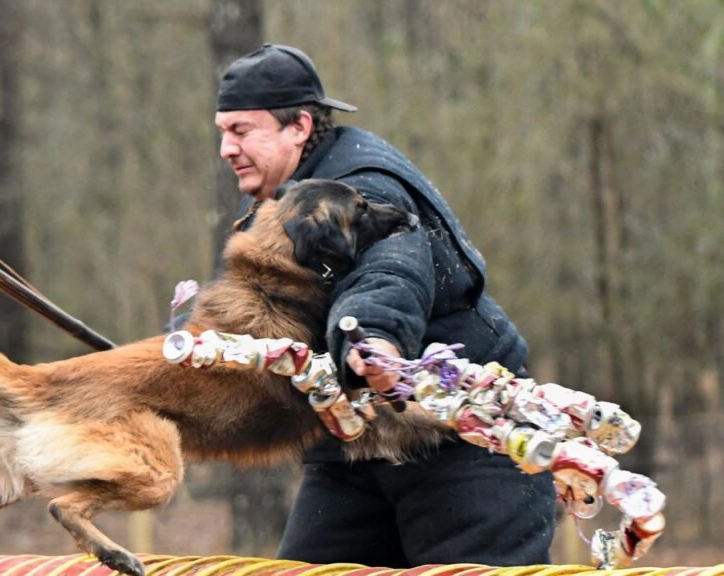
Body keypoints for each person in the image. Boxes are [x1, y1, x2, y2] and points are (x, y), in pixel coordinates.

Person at [214, 44, 556, 567]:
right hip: (349, 448)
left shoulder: (364, 187)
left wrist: (372, 338)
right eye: (222, 131)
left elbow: (391, 267)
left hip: (465, 442)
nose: (226, 147)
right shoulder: (278, 201)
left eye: (241, 130)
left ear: (299, 126)